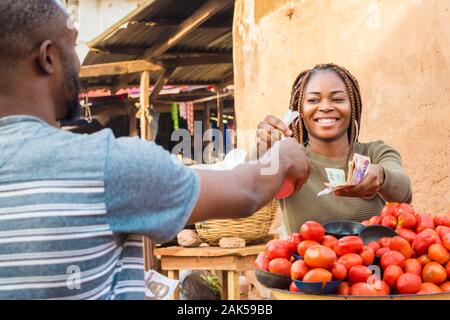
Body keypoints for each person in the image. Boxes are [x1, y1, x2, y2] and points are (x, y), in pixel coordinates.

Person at [0, 1, 311, 299]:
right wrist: (282, 155)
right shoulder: (106, 164)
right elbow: (248, 191)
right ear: (48, 57)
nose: (79, 63)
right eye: (73, 47)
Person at [255, 63, 412, 233]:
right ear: (300, 109)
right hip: (307, 259)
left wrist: (382, 177)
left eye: (337, 99)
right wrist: (263, 148)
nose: (325, 107)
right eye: (313, 100)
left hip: (373, 259)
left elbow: (404, 194)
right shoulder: (290, 161)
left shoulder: (376, 153)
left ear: (352, 107)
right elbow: (251, 185)